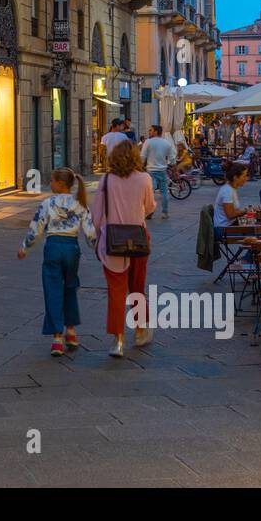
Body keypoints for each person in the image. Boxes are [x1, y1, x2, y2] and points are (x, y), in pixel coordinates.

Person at [19, 168, 97, 356]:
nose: (50, 183)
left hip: (53, 247)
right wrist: (96, 248)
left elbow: (36, 228)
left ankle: (57, 338)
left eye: (52, 180)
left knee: (53, 290)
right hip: (72, 249)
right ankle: (70, 331)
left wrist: (25, 247)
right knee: (70, 287)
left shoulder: (48, 203)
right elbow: (90, 231)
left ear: (60, 184)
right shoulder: (80, 203)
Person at [89, 140, 156, 358]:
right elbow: (150, 207)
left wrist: (95, 241)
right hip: (138, 238)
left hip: (112, 241)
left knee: (116, 292)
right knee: (137, 287)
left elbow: (96, 216)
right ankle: (140, 331)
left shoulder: (106, 180)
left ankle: (117, 340)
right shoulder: (145, 178)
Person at [141, 124, 178, 219]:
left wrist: (140, 168)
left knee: (150, 193)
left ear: (156, 132)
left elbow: (142, 157)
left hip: (150, 172)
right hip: (162, 170)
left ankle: (150, 212)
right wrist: (175, 170)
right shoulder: (166, 143)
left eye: (151, 130)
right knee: (164, 192)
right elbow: (172, 158)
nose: (149, 132)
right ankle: (165, 212)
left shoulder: (148, 142)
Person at [213, 162, 251, 241]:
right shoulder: (227, 191)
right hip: (223, 230)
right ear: (235, 177)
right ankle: (250, 253)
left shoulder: (232, 189)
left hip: (229, 226)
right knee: (258, 236)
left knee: (257, 228)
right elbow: (230, 215)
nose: (246, 178)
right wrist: (247, 210)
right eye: (244, 176)